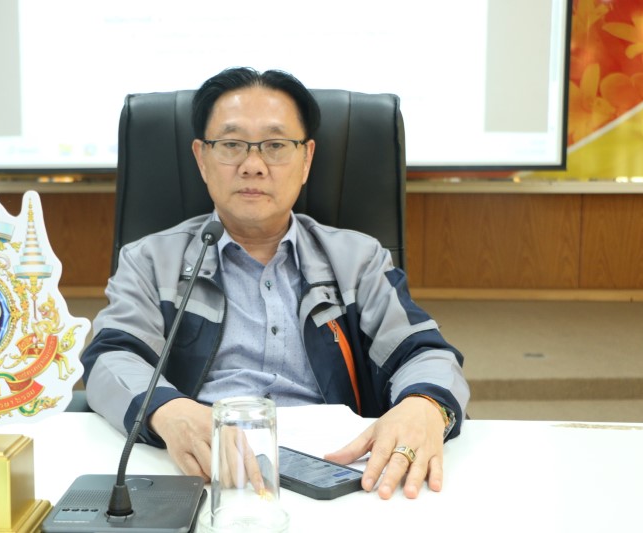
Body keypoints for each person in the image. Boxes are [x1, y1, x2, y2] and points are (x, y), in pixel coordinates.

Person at [82, 67, 469, 500]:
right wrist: (168, 411)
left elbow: (424, 352)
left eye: (276, 146)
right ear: (201, 158)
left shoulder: (357, 260)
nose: (253, 166)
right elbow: (111, 357)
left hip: (337, 471)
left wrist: (424, 405)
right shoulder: (151, 260)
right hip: (202, 469)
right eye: (231, 145)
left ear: (306, 160)